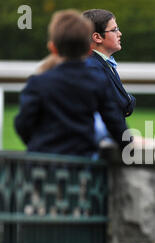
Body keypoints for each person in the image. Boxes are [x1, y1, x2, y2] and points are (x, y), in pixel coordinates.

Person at [15, 10, 131, 156]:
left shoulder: (37, 83)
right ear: (89, 48)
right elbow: (116, 125)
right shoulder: (97, 81)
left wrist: (40, 145)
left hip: (42, 168)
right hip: (83, 168)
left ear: (53, 48)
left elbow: (22, 124)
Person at [83, 9, 135, 145]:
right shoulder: (93, 66)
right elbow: (120, 103)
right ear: (97, 37)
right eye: (114, 30)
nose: (120, 33)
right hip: (104, 146)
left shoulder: (102, 63)